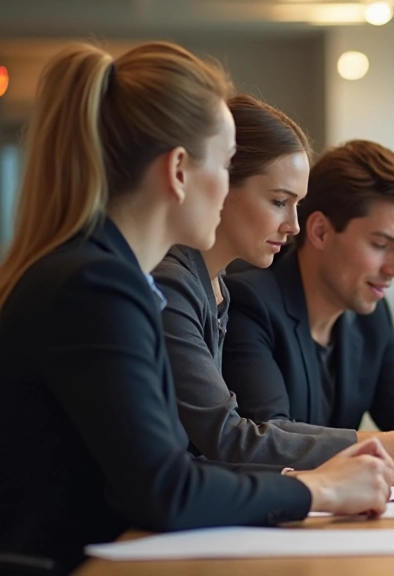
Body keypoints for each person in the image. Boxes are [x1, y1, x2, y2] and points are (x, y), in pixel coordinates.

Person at [0, 42, 393, 571]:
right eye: (225, 165)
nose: (226, 190)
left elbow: (170, 472)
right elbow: (166, 488)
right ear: (178, 171)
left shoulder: (103, 274)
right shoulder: (97, 286)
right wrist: (318, 490)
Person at [222, 140, 394, 470]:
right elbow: (265, 440)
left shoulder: (372, 314)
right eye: (381, 244)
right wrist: (386, 444)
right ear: (320, 231)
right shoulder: (249, 300)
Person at [152, 94, 363, 467]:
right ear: (223, 184)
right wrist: (362, 447)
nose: (294, 225)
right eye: (280, 201)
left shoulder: (215, 286)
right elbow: (226, 437)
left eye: (297, 204)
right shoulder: (172, 283)